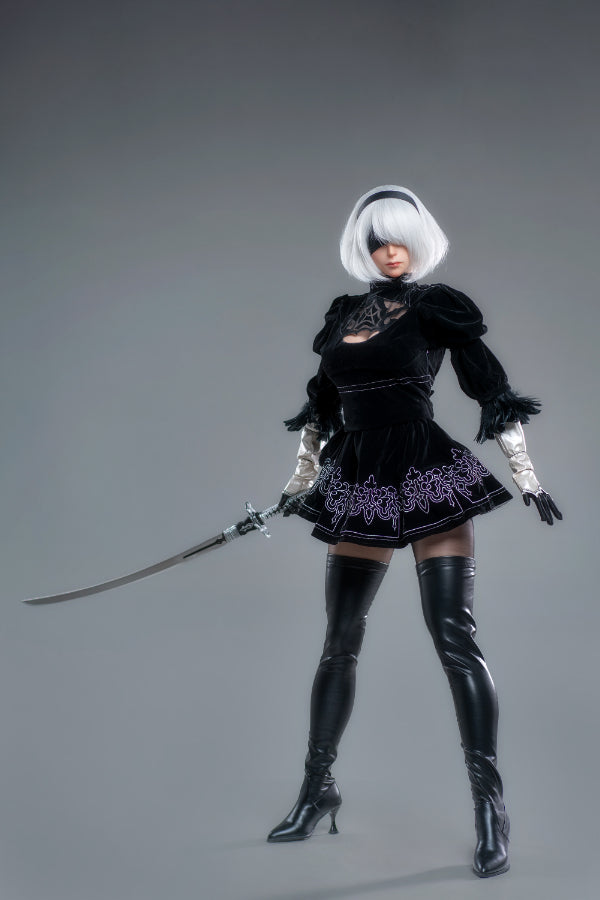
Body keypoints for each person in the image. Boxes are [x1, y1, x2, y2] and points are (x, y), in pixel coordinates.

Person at [267, 185, 562, 878]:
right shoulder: (344, 316)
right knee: (339, 640)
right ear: (364, 249)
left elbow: (492, 390)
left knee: (455, 637)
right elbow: (321, 408)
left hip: (428, 469)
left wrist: (527, 477)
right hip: (361, 476)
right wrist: (298, 481)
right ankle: (316, 789)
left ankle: (490, 807)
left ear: (418, 241)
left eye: (399, 239)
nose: (390, 251)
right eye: (377, 242)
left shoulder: (435, 307)